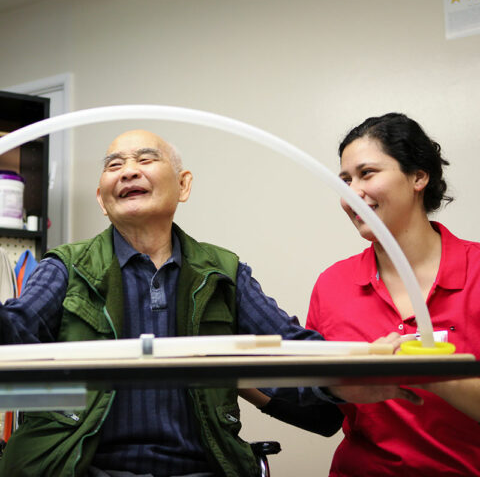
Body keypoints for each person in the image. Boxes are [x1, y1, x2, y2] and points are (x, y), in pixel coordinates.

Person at [0, 129, 420, 477]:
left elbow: (289, 349)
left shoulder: (223, 273)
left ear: (183, 185)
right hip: (83, 467)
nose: (128, 171)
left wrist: (356, 368)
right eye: (114, 165)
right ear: (101, 198)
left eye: (145, 160)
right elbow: (16, 330)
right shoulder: (65, 267)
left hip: (201, 468)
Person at [306, 113, 480, 476]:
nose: (351, 193)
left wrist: (434, 374)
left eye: (367, 173)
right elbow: (318, 405)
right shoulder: (333, 284)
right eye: (345, 180)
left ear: (418, 177)